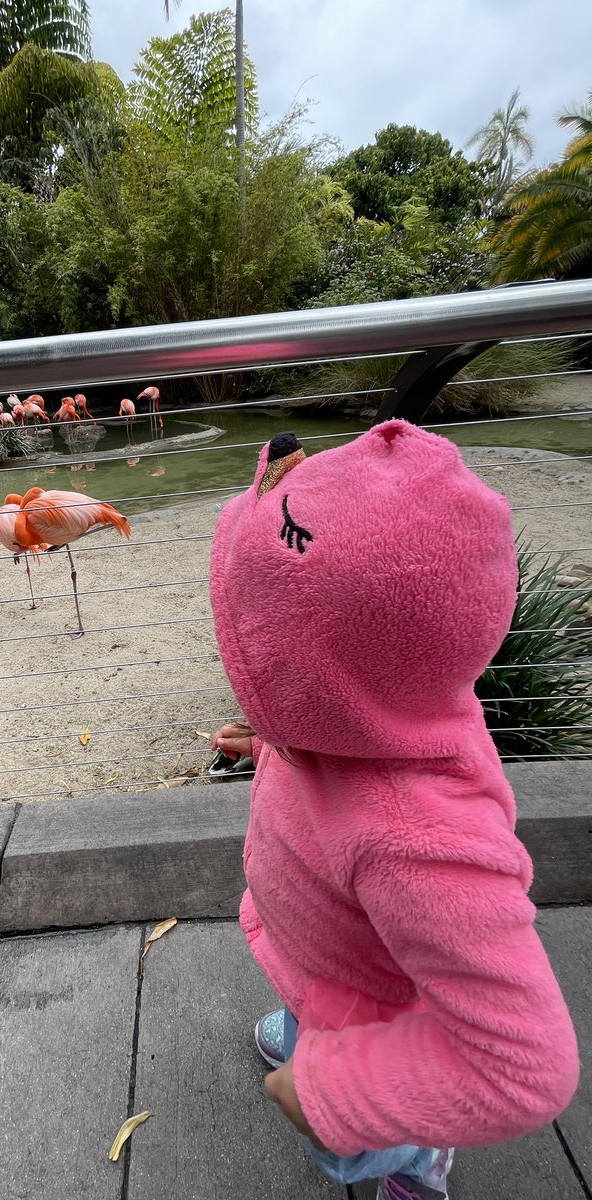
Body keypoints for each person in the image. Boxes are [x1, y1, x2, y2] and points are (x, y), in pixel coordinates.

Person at [208, 423, 579, 1199]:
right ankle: (308, 1028)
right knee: (311, 1001)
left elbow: (524, 1068)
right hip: (323, 954)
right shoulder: (371, 708)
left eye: (254, 638)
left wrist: (332, 1092)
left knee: (401, 1141)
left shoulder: (418, 842)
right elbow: (346, 694)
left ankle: (413, 1172)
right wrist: (276, 739)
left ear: (316, 670)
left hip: (373, 1015)